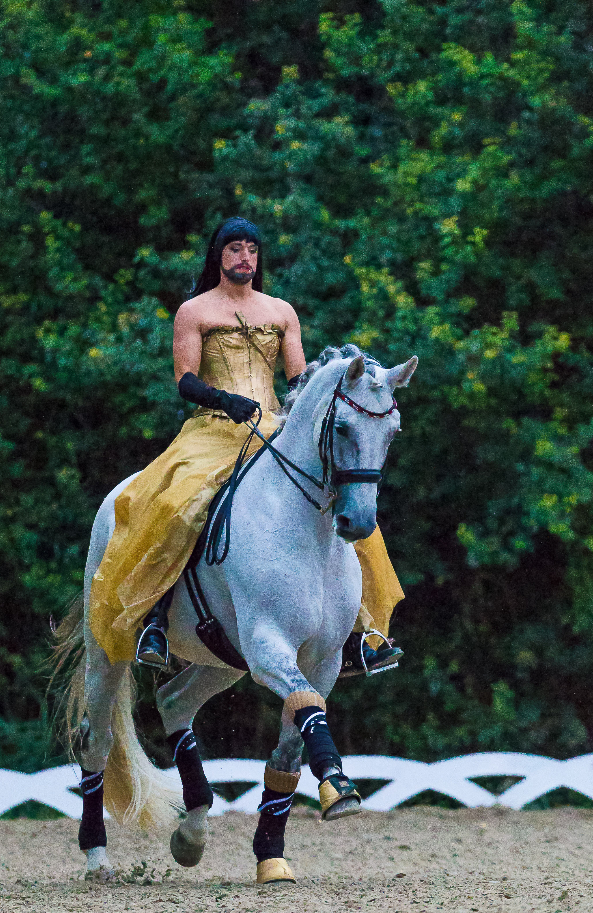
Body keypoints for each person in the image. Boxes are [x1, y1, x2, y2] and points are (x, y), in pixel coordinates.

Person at [88, 217, 404, 677]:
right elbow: (185, 380)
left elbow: (298, 379)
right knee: (175, 503)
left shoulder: (281, 311)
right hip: (213, 427)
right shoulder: (194, 311)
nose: (245, 258)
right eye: (235, 249)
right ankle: (153, 619)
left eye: (252, 250)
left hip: (272, 426)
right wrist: (223, 400)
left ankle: (361, 632)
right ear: (219, 255)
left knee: (350, 509)